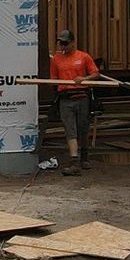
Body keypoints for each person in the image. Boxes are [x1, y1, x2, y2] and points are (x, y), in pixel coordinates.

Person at [48, 28, 99, 175]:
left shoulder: (83, 56)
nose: (63, 46)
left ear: (72, 43)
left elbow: (96, 74)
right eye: (61, 44)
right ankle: (74, 161)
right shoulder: (56, 59)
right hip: (65, 98)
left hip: (82, 97)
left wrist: (84, 79)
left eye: (65, 43)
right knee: (70, 130)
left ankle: (84, 157)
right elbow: (53, 79)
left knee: (83, 128)